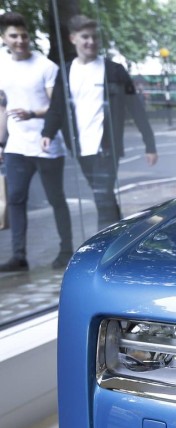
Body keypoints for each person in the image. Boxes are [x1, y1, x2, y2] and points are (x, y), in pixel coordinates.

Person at [41, 14, 157, 232]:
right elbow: (57, 107)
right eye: (85, 37)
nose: (91, 42)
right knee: (103, 196)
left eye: (95, 37)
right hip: (80, 147)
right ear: (72, 39)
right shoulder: (65, 72)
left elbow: (136, 109)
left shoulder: (114, 71)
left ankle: (102, 248)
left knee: (102, 197)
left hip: (106, 146)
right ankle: (121, 234)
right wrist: (47, 133)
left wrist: (149, 144)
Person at [0, 11, 74, 272]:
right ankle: (19, 257)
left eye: (24, 35)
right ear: (4, 38)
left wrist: (31, 113)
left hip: (46, 143)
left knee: (56, 199)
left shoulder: (46, 66)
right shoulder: (1, 65)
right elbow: (3, 107)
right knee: (16, 200)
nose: (20, 40)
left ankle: (67, 251)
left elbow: (56, 105)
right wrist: (0, 142)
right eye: (14, 36)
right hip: (16, 146)